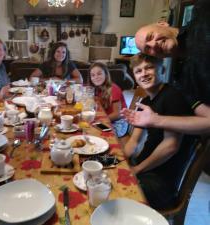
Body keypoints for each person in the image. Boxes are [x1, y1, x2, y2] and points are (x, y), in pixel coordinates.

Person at [121, 0, 210, 135]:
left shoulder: (203, 14)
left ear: (162, 24)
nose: (153, 45)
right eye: (148, 48)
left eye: (151, 36)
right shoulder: (181, 80)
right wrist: (155, 120)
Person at [124, 53, 196, 209]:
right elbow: (134, 141)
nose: (143, 73)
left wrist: (136, 169)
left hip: (160, 181)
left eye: (149, 68)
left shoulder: (172, 97)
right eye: (138, 71)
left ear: (161, 69)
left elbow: (171, 146)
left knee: (111, 194)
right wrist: (120, 160)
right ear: (134, 76)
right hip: (145, 167)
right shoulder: (145, 101)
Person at [89, 62, 128, 137]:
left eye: (99, 74)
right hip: (108, 119)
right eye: (92, 75)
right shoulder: (98, 88)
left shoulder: (114, 89)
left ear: (106, 74)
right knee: (88, 127)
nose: (96, 77)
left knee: (95, 133)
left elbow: (117, 114)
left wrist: (101, 121)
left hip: (119, 123)